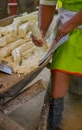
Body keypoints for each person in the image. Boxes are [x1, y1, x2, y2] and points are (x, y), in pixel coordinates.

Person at [32, 0, 82, 130]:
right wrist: (42, 30)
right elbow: (48, 3)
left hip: (68, 26)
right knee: (59, 70)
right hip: (67, 31)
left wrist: (70, 24)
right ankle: (54, 125)